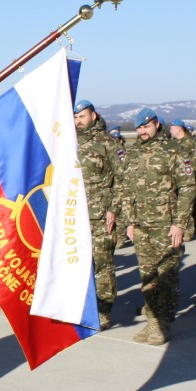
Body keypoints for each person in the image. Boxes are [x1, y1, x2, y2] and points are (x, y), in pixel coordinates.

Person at [118, 108, 196, 344]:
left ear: (157, 125)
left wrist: (180, 223)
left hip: (166, 225)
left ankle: (164, 323)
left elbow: (188, 188)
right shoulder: (133, 154)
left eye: (147, 126)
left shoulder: (174, 151)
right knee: (148, 276)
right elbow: (126, 189)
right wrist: (130, 222)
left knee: (167, 276)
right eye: (139, 127)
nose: (142, 130)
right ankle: (152, 320)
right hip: (141, 226)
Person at [74, 100, 118, 327]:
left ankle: (104, 309)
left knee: (102, 262)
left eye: (82, 116)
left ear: (93, 116)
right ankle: (81, 306)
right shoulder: (68, 142)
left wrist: (113, 208)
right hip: (74, 213)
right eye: (76, 117)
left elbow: (122, 178)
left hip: (100, 213)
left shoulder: (107, 142)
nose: (78, 121)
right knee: (77, 262)